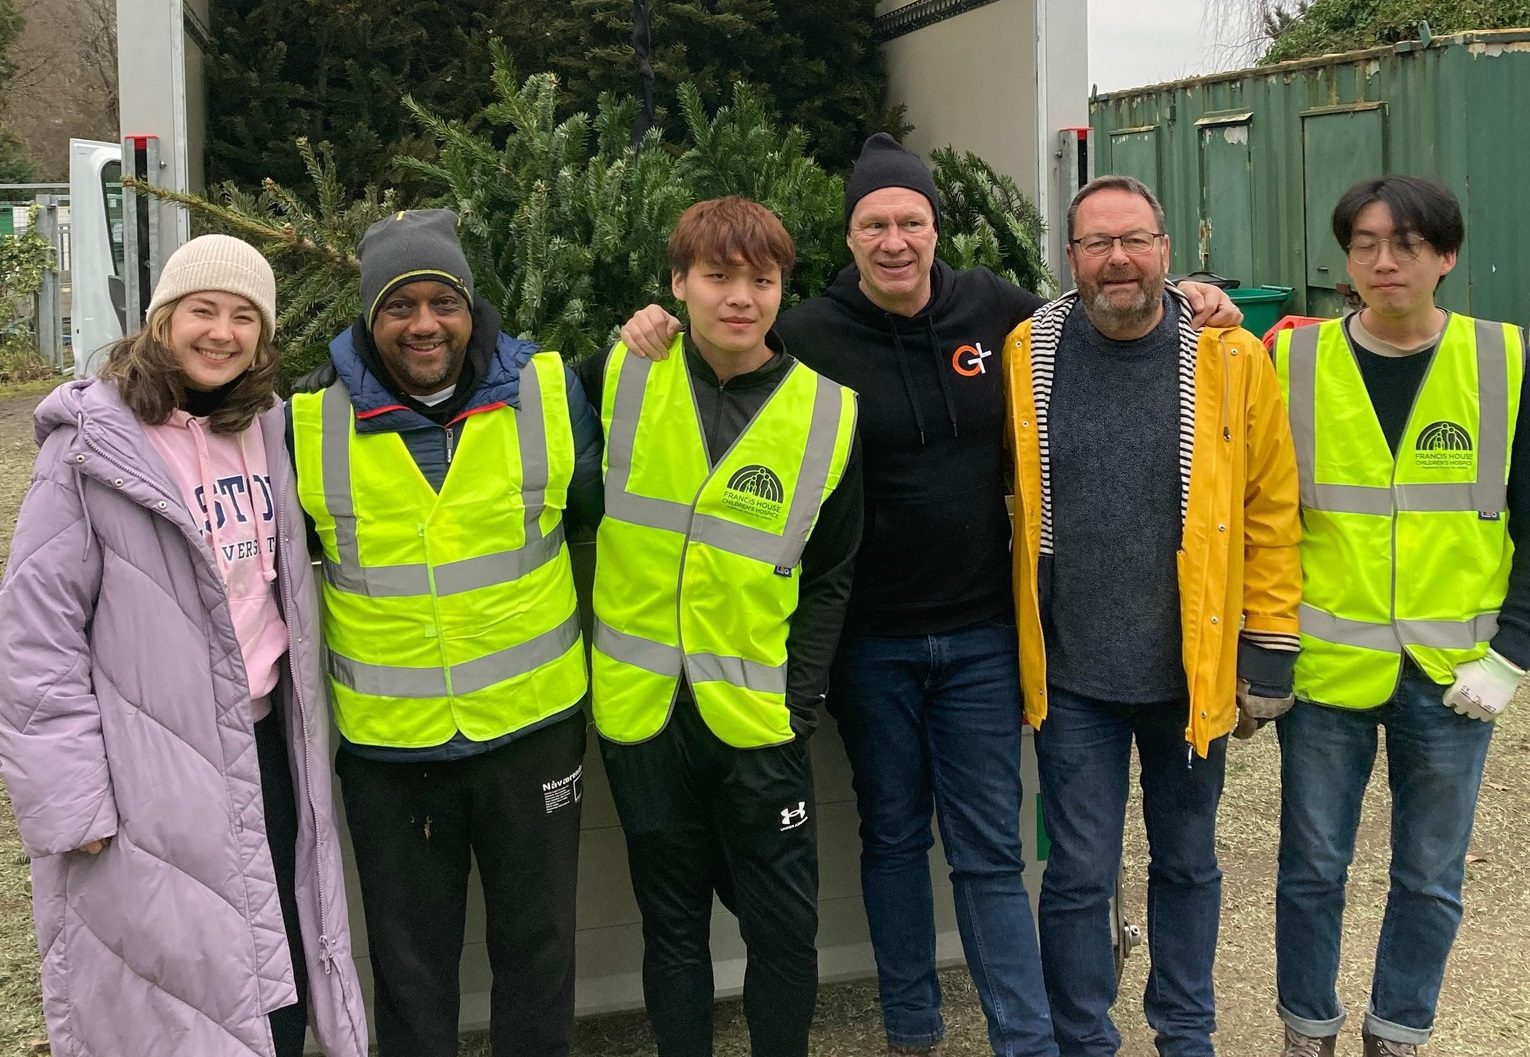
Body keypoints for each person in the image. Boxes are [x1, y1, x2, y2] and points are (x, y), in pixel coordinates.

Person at [618, 135, 1243, 1057]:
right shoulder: (810, 331)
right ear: (851, 237)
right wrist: (652, 327)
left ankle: (1023, 1038)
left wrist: (1196, 296)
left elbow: (1105, 312)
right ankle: (913, 1026)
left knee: (990, 848)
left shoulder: (995, 310)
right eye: (874, 222)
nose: (895, 238)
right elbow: (725, 346)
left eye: (911, 219)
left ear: (936, 229)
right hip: (870, 641)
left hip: (983, 633)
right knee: (894, 838)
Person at [0, 235, 368, 1057]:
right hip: (150, 771)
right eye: (203, 309)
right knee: (179, 997)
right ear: (163, 319)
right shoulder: (91, 448)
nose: (222, 332)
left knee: (280, 983)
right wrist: (72, 800)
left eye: (246, 317)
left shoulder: (266, 431)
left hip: (269, 744)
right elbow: (34, 636)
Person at [286, 209, 603, 1057]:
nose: (424, 324)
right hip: (392, 754)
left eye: (442, 302)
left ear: (469, 305)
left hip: (533, 731)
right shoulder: (307, 422)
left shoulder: (547, 389)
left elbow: (603, 517)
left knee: (538, 954)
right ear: (369, 315)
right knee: (410, 966)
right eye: (400, 306)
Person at [1002, 174, 1302, 1057]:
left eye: (1135, 240)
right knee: (1079, 874)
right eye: (1097, 244)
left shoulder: (1230, 359)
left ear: (1169, 253)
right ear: (1071, 259)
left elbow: (1270, 507)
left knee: (1187, 863)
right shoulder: (1030, 349)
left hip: (1190, 670)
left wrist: (1269, 651)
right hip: (1072, 675)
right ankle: (1082, 1037)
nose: (1117, 259)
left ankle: (1185, 1030)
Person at [577, 196, 862, 1057]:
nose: (740, 296)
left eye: (762, 280)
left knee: (784, 930)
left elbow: (833, 574)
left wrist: (798, 698)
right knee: (672, 931)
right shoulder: (616, 376)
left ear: (783, 291)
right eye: (717, 276)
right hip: (642, 713)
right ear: (677, 283)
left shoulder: (828, 412)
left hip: (756, 719)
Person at [1270, 176, 1530, 1057]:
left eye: (1408, 244)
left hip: (1455, 677)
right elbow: (1263, 517)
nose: (1384, 261)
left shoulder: (1504, 360)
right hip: (1325, 669)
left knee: (1429, 876)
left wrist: (1513, 655)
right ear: (1345, 257)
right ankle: (1308, 1029)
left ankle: (1399, 1030)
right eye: (1366, 244)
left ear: (1445, 257)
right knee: (1311, 870)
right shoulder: (1292, 361)